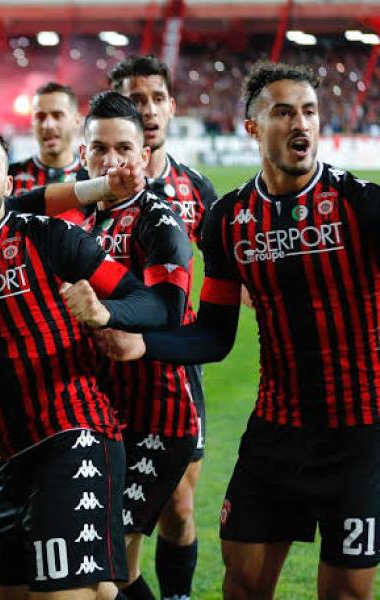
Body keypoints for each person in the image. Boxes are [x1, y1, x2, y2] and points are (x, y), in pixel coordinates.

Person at [100, 61, 380, 600]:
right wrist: (142, 343)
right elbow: (213, 336)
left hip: (359, 437)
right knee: (243, 585)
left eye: (309, 111)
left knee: (346, 594)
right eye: (283, 112)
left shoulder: (360, 205)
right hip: (275, 434)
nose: (300, 124)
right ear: (251, 127)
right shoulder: (228, 219)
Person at [0, 118, 174, 600]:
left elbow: (152, 304)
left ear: (9, 180)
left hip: (73, 437)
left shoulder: (49, 238)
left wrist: (105, 312)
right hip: (10, 456)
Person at [59, 91, 195, 600]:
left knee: (112, 572)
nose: (110, 161)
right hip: (100, 416)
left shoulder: (158, 222)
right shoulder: (80, 222)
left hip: (156, 418)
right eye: (98, 149)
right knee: (112, 573)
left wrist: (104, 314)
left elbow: (168, 310)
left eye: (122, 149)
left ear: (143, 156)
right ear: (83, 153)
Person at [108, 55, 218, 600]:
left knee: (177, 505)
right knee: (112, 521)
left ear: (172, 107)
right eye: (136, 99)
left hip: (174, 368)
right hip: (102, 369)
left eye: (156, 98)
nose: (148, 110)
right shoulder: (84, 194)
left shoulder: (197, 190)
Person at [9, 81, 85, 196]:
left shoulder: (91, 178)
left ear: (77, 120)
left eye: (57, 115)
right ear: (32, 124)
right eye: (40, 117)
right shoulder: (9, 177)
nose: (48, 125)